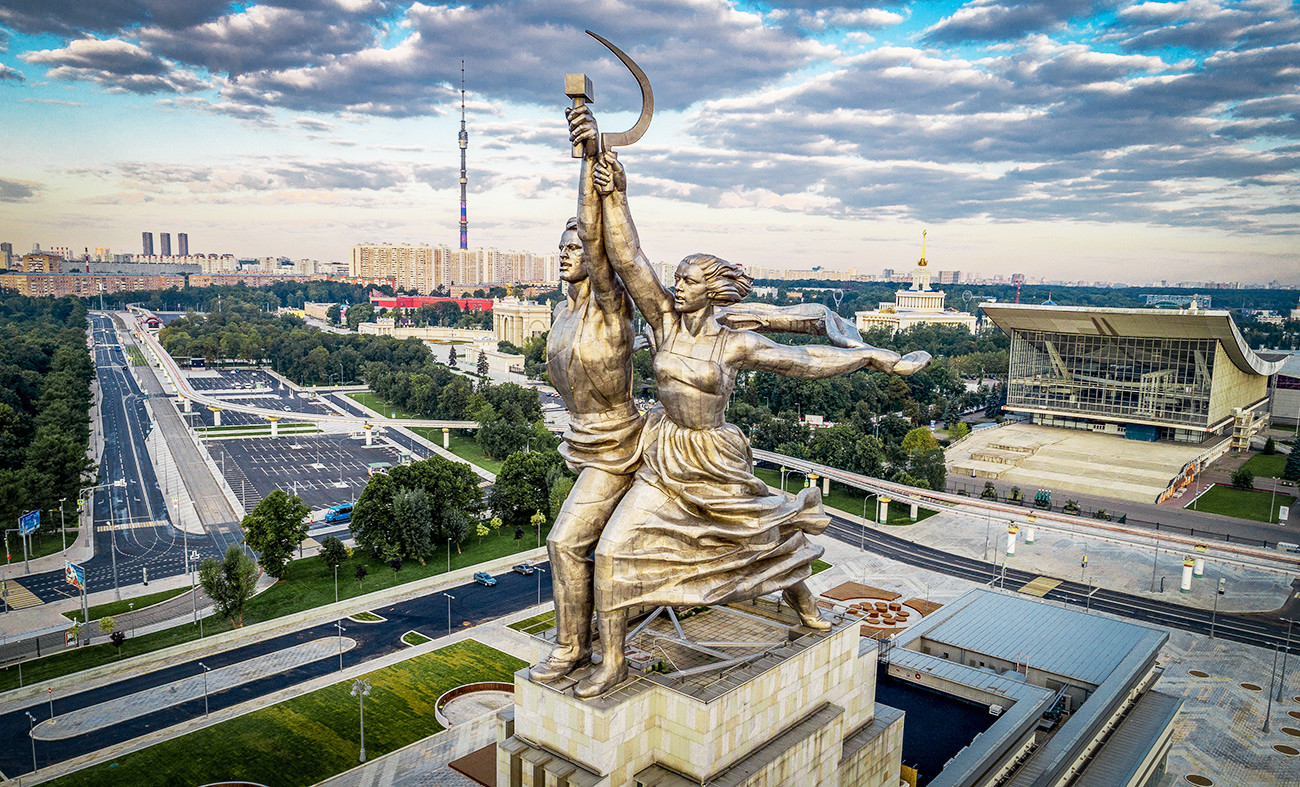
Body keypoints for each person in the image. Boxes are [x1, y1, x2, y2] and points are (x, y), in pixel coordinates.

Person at [573, 150, 930, 698]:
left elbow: (806, 362)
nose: (678, 286)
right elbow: (628, 257)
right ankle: (613, 662)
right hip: (665, 452)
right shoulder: (663, 321)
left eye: (689, 281)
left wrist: (874, 357)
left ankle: (803, 602)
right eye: (679, 279)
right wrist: (615, 194)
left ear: (713, 289)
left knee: (759, 536)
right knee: (614, 551)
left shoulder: (734, 342)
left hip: (714, 456)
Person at [528, 106, 643, 683]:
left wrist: (587, 159)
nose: (566, 252)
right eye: (560, 247)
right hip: (585, 443)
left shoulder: (609, 305)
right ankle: (596, 633)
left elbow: (601, 245)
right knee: (586, 544)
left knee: (567, 543)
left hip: (618, 445)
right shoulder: (560, 314)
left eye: (574, 246)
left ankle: (573, 647)